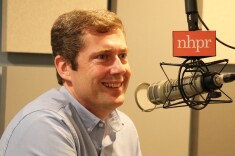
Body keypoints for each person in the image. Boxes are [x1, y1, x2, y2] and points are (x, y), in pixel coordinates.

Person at [0, 9, 142, 156]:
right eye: (103, 56)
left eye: (122, 55)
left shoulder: (125, 128)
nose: (119, 69)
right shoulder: (43, 126)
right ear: (64, 67)